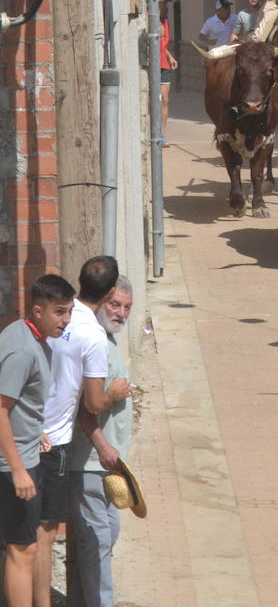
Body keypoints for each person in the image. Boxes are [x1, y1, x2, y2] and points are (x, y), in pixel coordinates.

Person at [39, 258, 129, 607]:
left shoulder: (64, 316)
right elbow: (90, 403)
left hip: (46, 437)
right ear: (108, 294)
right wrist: (115, 394)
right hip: (64, 447)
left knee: (85, 535)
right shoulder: (92, 334)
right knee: (63, 536)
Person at [0, 276, 74, 607]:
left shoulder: (26, 333)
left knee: (23, 545)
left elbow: (17, 405)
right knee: (22, 548)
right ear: (37, 310)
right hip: (12, 465)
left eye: (69, 311)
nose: (66, 320)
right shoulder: (22, 349)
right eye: (59, 312)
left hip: (25, 450)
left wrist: (34, 429)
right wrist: (17, 470)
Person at [67, 276, 135, 607]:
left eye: (127, 307)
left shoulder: (106, 339)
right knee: (96, 541)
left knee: (104, 536)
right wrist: (104, 446)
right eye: (115, 304)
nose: (121, 313)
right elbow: (85, 406)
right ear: (103, 300)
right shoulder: (94, 343)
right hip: (89, 462)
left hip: (105, 464)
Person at [157, 0, 176, 146]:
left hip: (164, 64)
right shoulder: (148, 20)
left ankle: (162, 134)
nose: (166, 6)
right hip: (152, 65)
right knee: (154, 100)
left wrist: (170, 57)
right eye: (164, 3)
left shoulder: (165, 20)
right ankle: (153, 132)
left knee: (165, 99)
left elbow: (163, 44)